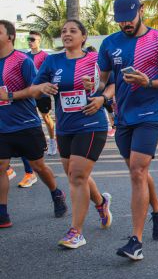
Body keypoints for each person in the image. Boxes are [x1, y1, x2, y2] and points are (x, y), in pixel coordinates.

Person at [96, 0, 158, 260]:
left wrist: (150, 83)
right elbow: (105, 82)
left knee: (137, 170)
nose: (125, 24)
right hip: (123, 117)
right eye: (120, 20)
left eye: (129, 18)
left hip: (150, 114)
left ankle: (136, 241)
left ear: (141, 10)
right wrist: (97, 90)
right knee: (139, 172)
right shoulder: (110, 44)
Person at [30, 20, 114, 248]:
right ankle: (100, 202)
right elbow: (33, 88)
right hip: (65, 127)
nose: (67, 34)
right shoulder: (52, 60)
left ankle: (76, 231)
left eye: (73, 31)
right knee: (76, 175)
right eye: (64, 31)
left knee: (76, 176)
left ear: (84, 37)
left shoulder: (95, 60)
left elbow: (113, 84)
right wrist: (43, 89)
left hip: (91, 124)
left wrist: (101, 98)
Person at [0, 20, 68, 228]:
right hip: (2, 126)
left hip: (26, 124)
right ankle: (3, 212)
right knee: (1, 166)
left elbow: (36, 89)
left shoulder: (21, 61)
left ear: (10, 36)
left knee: (38, 166)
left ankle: (56, 193)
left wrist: (9, 95)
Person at [26, 30, 57, 156]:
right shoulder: (25, 56)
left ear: (39, 41)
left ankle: (52, 141)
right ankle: (39, 142)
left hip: (42, 92)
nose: (30, 42)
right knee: (32, 118)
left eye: (33, 39)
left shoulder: (45, 56)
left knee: (45, 117)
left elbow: (51, 73)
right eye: (29, 39)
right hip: (29, 92)